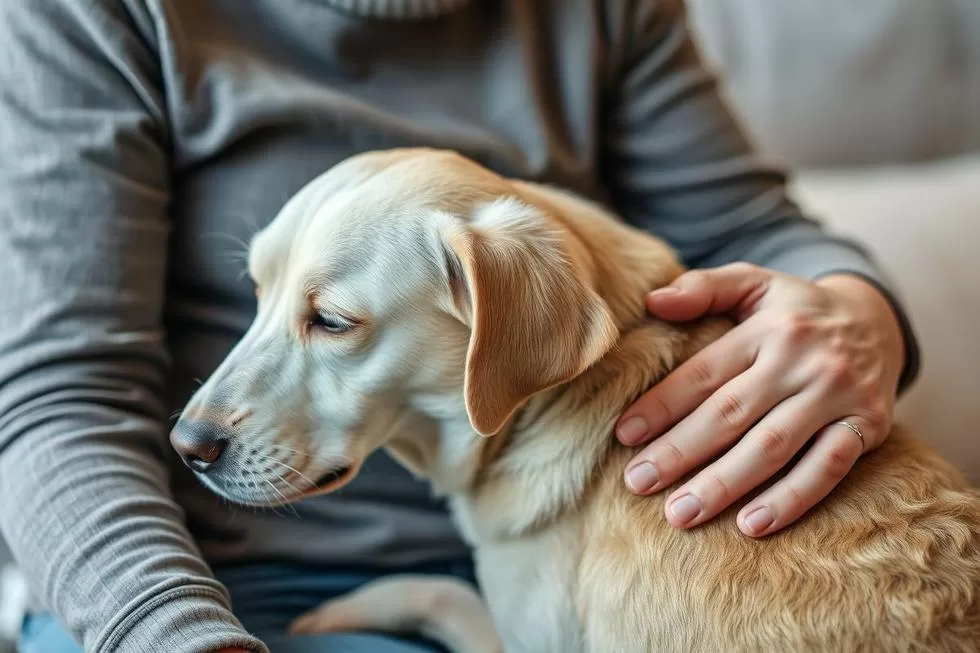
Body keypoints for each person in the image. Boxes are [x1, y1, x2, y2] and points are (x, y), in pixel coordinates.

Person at [0, 1, 918, 652]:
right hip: (195, 584)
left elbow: (750, 230)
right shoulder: (96, 13)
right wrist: (169, 633)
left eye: (330, 319)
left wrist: (856, 314)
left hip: (540, 560)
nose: (205, 417)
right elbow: (57, 395)